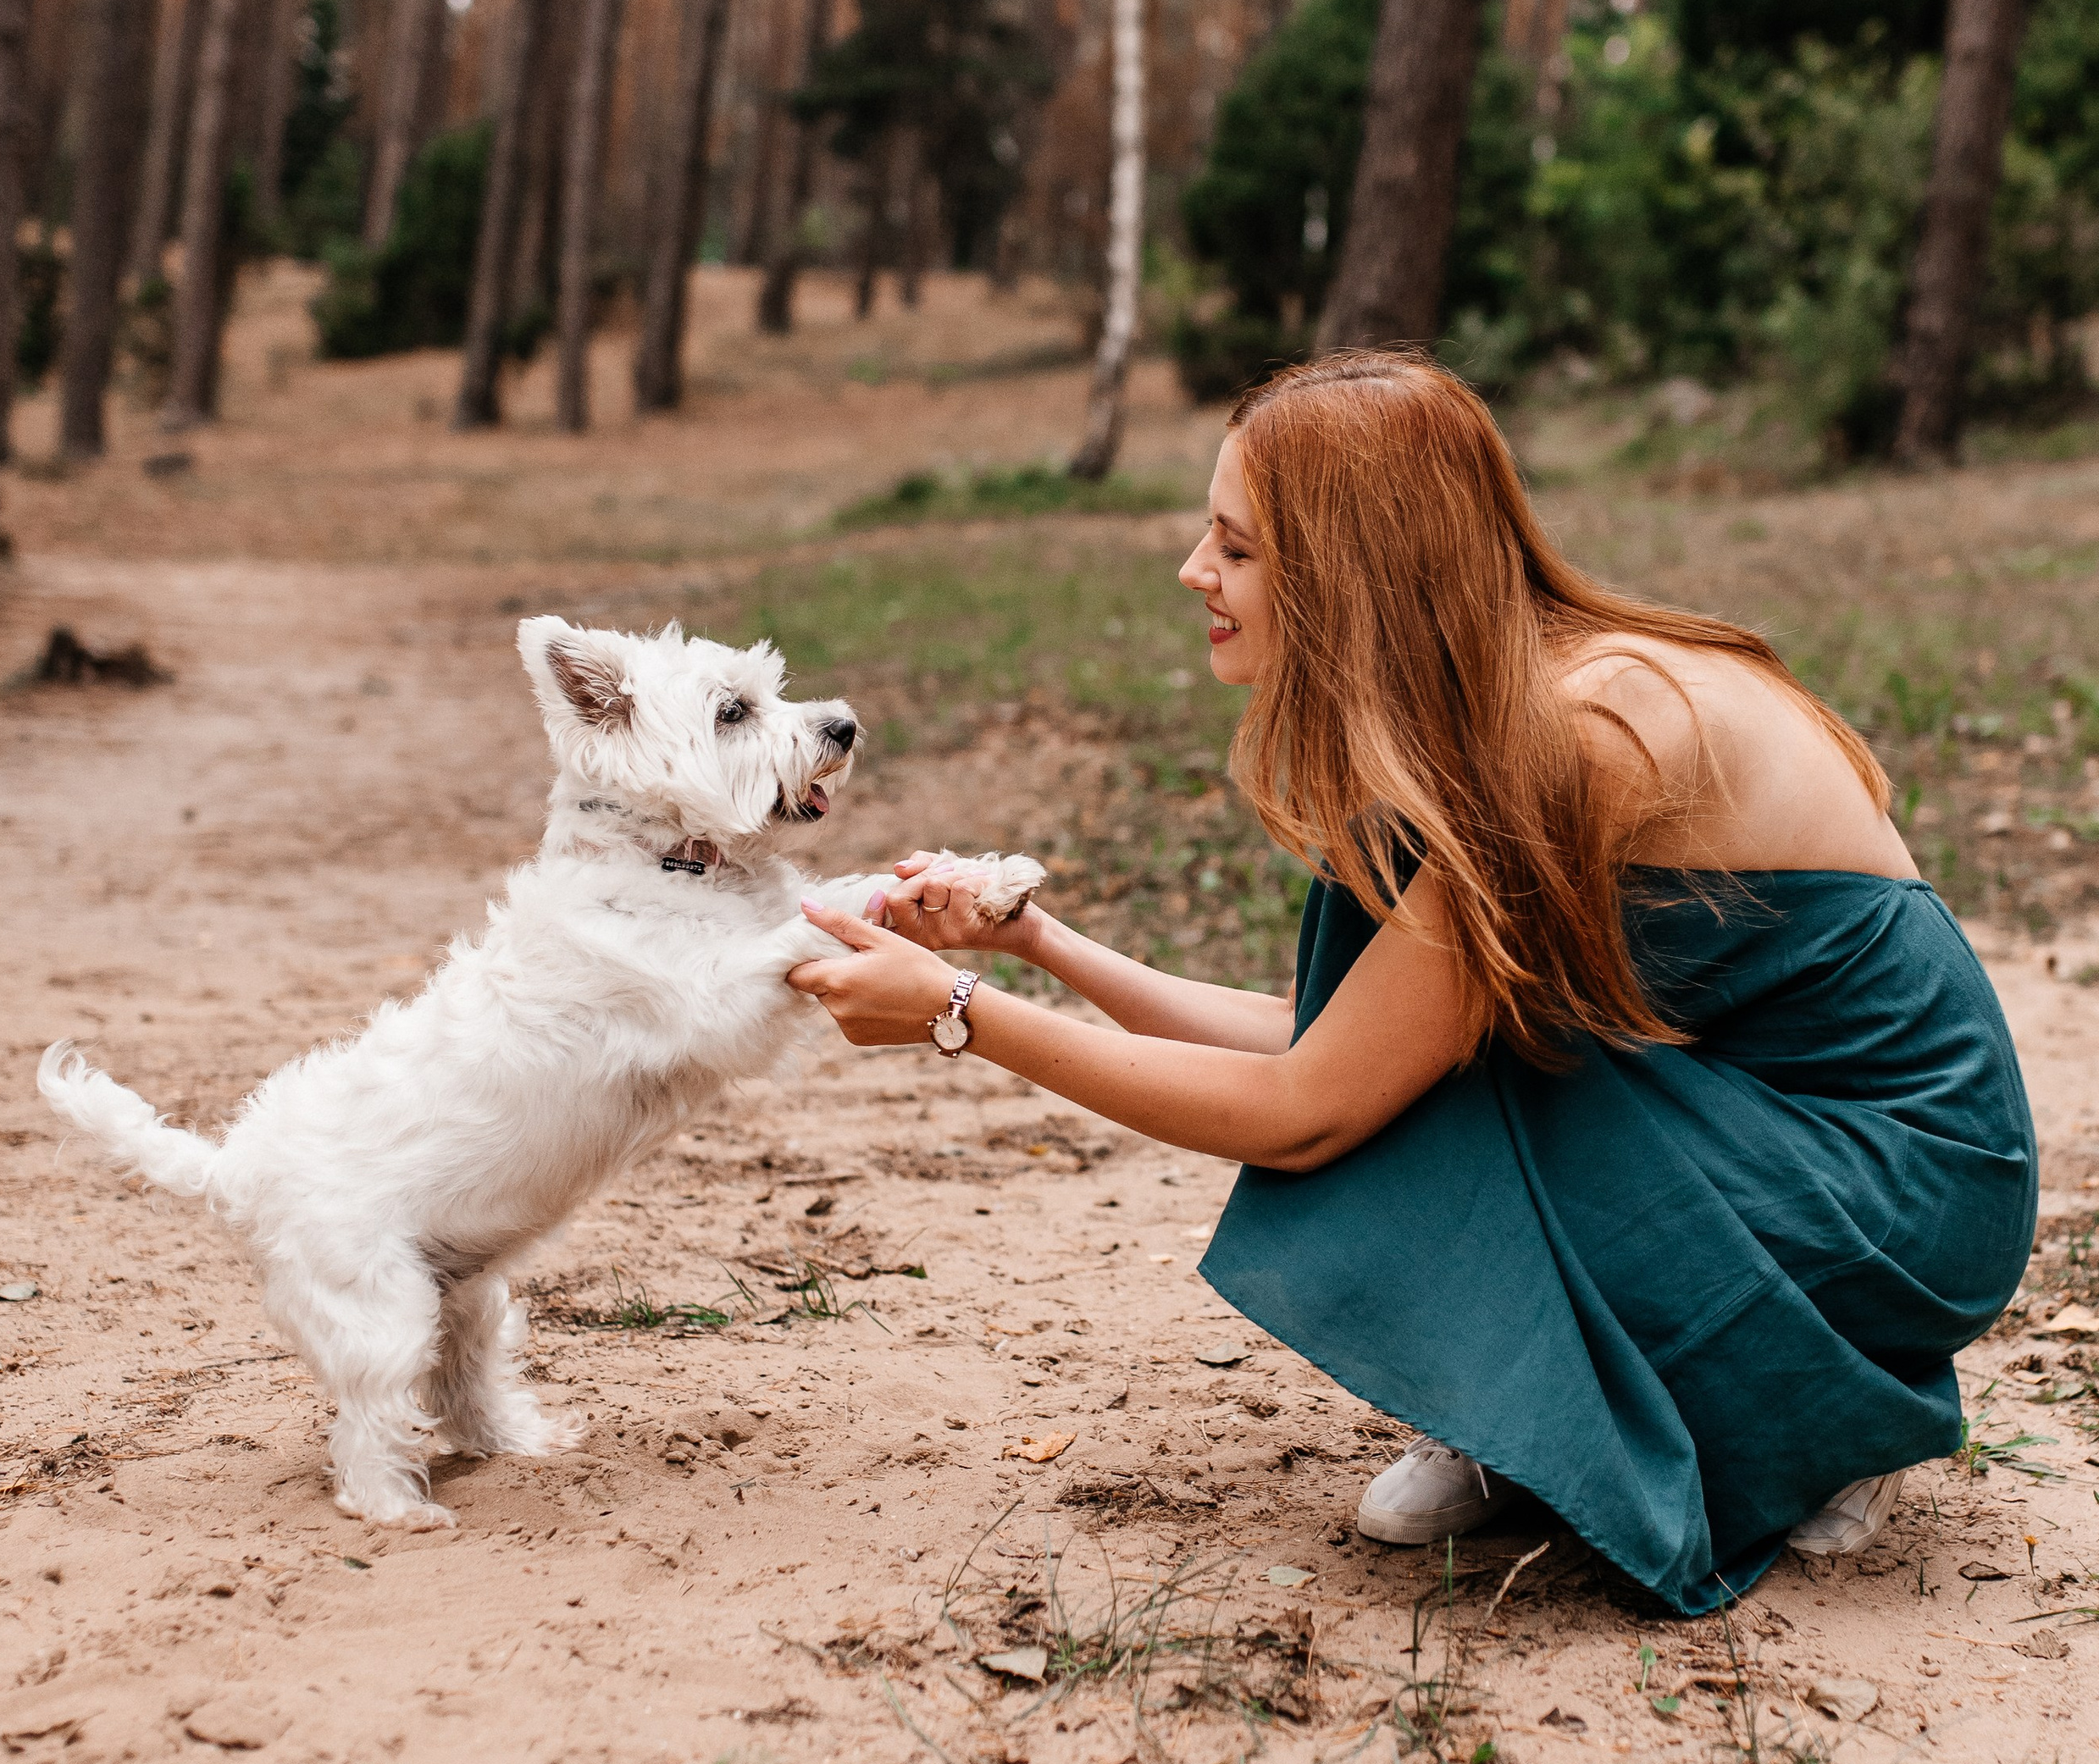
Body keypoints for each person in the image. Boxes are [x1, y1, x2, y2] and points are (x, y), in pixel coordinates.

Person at [789, 351, 2037, 1616]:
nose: (1194, 573)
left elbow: (1310, 1106)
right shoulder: (1495, 717)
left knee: (1460, 1095)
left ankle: (1822, 1409)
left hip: (1904, 1186)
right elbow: (1331, 1045)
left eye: (1238, 547)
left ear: (1353, 574)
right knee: (1443, 1066)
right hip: (1753, 1125)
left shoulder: (1591, 734)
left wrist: (958, 1019)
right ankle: (1585, 1405)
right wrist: (1035, 947)